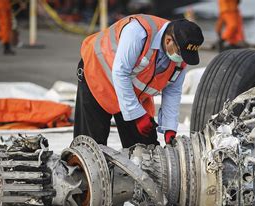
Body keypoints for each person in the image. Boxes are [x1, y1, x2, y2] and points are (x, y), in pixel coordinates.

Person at [74, 15, 204, 148]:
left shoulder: (181, 56)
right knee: (90, 146)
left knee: (147, 149)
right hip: (97, 73)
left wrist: (169, 127)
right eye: (180, 53)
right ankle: (79, 167)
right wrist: (137, 115)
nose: (182, 58)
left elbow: (173, 91)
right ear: (168, 40)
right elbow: (121, 73)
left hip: (132, 91)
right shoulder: (138, 32)